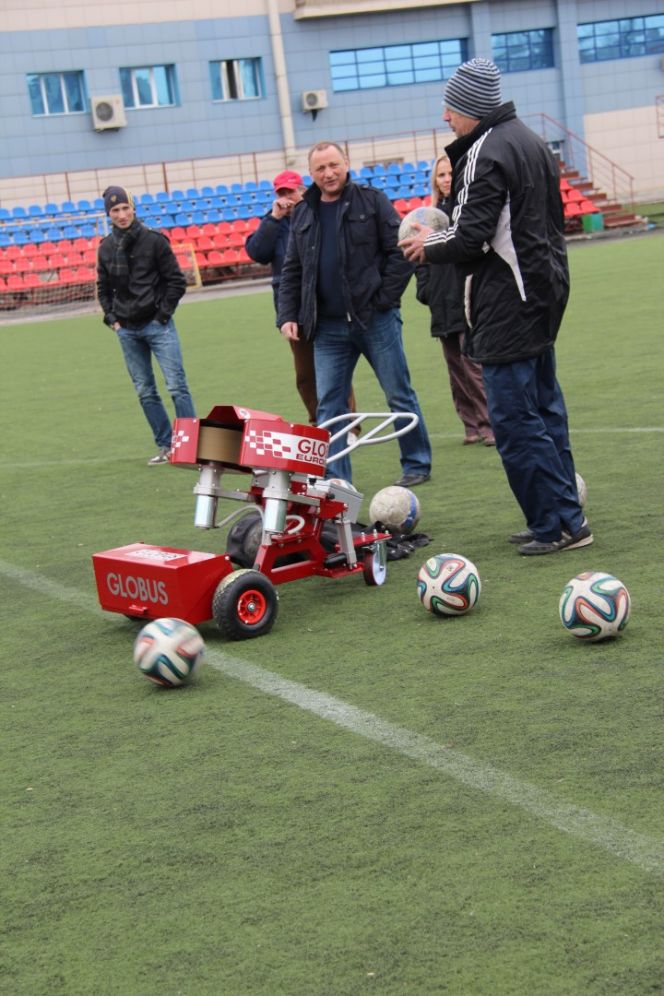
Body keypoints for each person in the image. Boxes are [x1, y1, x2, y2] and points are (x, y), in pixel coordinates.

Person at [400, 58, 592, 555]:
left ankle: (558, 525)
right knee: (546, 410)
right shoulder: (529, 140)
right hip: (543, 291)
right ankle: (564, 515)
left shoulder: (486, 149)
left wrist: (429, 245)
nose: (445, 116)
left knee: (514, 420)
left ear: (471, 107)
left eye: (451, 106)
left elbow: (471, 236)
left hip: (510, 299)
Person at [277, 141, 432, 487]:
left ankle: (417, 463)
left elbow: (399, 252)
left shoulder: (372, 201)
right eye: (320, 169)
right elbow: (293, 269)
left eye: (334, 165)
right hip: (327, 328)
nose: (328, 173)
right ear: (311, 174)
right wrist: (287, 314)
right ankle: (335, 478)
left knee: (398, 393)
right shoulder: (303, 212)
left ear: (346, 163)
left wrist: (383, 300)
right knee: (329, 406)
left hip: (375, 320)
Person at [245, 169, 359, 432]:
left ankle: (349, 426)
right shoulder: (272, 223)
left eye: (291, 191)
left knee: (336, 370)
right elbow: (256, 252)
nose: (287, 197)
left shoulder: (320, 212)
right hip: (294, 311)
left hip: (325, 303)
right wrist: (274, 219)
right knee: (306, 375)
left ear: (303, 190)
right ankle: (318, 423)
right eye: (282, 193)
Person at [96, 185, 196, 465]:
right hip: (126, 329)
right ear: (109, 214)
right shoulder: (105, 247)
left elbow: (176, 281)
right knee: (145, 391)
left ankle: (189, 447)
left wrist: (162, 315)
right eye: (115, 210)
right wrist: (112, 319)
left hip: (158, 325)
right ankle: (165, 446)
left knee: (177, 386)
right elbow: (103, 288)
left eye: (125, 208)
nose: (122, 214)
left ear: (133, 208)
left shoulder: (154, 241)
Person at [415, 152, 495, 447]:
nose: (446, 180)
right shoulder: (428, 217)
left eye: (450, 174)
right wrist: (424, 289)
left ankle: (490, 425)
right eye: (441, 175)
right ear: (435, 181)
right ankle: (471, 425)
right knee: (455, 370)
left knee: (472, 365)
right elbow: (418, 258)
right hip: (440, 301)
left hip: (465, 297)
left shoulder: (465, 211)